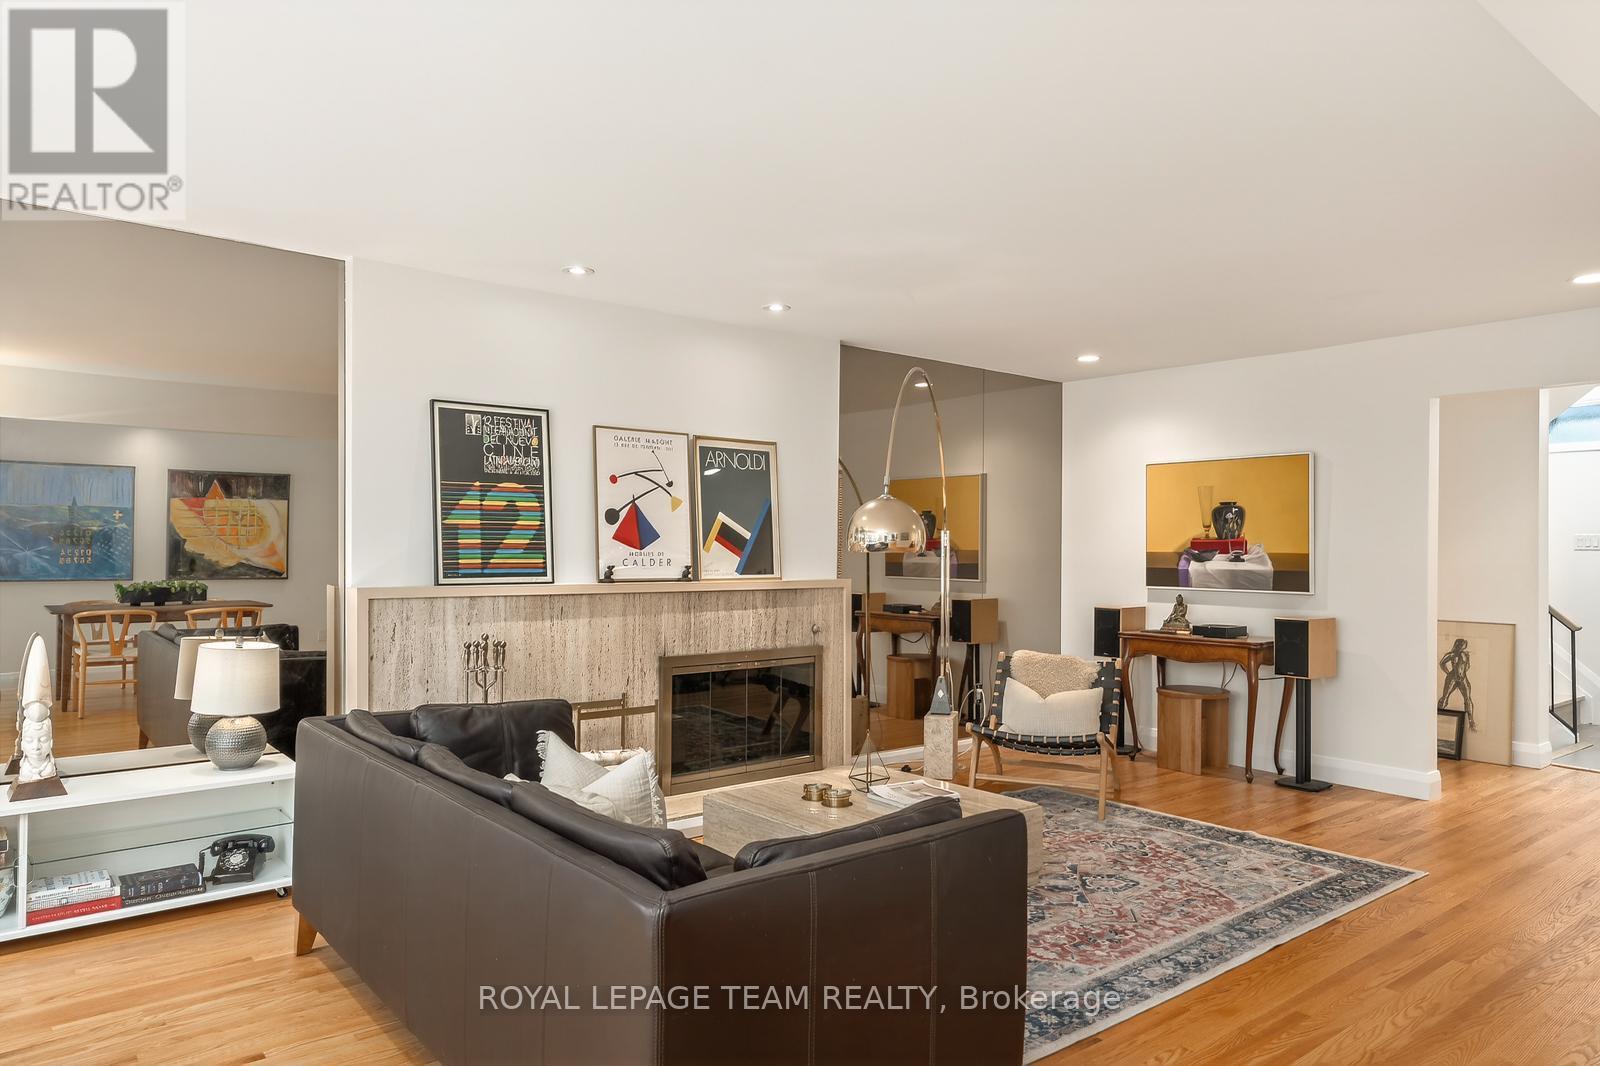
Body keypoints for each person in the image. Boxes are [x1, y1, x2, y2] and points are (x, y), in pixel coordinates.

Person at [1438, 638, 1475, 730]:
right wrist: (1448, 673)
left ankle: (1471, 722)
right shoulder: (1451, 654)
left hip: (1463, 679)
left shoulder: (1466, 654)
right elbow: (1442, 663)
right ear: (1458, 645)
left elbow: (1468, 666)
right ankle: (1437, 716)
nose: (1463, 646)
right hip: (1452, 678)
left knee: (1468, 699)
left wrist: (1462, 672)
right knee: (1445, 697)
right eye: (1462, 644)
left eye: (1464, 645)